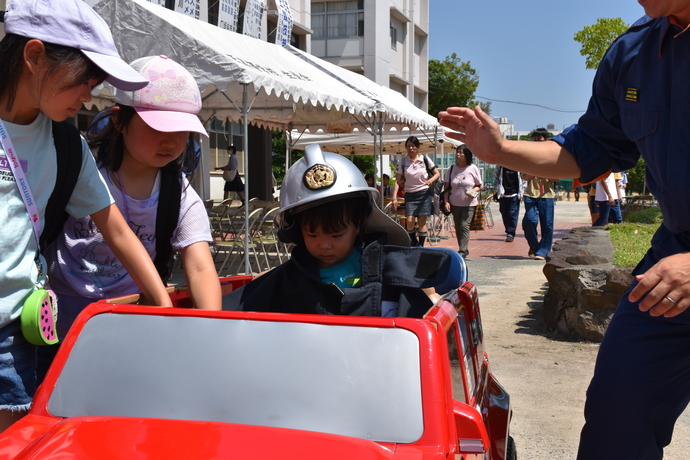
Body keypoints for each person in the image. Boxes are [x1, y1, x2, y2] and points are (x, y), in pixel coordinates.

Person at [438, 3, 690, 458]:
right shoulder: (634, 51)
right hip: (673, 261)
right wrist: (499, 150)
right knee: (618, 411)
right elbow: (588, 149)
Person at [0, 0, 173, 432]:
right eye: (84, 79)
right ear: (34, 56)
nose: (88, 95)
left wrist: (165, 306)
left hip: (12, 332)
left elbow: (115, 227)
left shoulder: (66, 146)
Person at [40, 55, 222, 378]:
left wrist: (210, 333)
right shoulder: (82, 172)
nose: (171, 141)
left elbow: (200, 266)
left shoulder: (178, 195)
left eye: (182, 130)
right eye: (158, 127)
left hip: (131, 330)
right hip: (57, 330)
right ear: (119, 120)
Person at [224, 144, 452, 317]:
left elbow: (423, 300)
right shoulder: (291, 277)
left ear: (359, 224)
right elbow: (236, 310)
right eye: (312, 235)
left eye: (336, 234)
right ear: (295, 230)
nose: (324, 244)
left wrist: (430, 296)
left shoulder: (386, 268)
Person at [392, 136, 440, 247]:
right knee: (409, 221)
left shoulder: (425, 159)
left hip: (424, 194)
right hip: (410, 195)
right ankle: (414, 241)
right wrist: (394, 196)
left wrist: (430, 180)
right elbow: (397, 181)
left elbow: (437, 173)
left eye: (413, 146)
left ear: (418, 147)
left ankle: (421, 246)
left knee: (422, 222)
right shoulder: (403, 161)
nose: (411, 148)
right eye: (408, 146)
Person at [522, 128, 557, 260]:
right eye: (534, 139)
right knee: (529, 220)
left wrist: (544, 174)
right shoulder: (527, 156)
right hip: (530, 195)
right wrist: (532, 174)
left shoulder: (552, 156)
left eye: (540, 139)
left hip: (547, 195)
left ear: (546, 140)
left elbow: (557, 177)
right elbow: (524, 176)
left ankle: (543, 251)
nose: (537, 142)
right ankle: (535, 246)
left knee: (547, 224)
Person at [442, 145, 482, 257]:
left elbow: (479, 185)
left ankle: (463, 251)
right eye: (457, 152)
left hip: (469, 204)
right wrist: (446, 202)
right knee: (458, 227)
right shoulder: (451, 169)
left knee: (464, 225)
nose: (457, 154)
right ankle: (462, 248)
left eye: (460, 152)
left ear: (466, 155)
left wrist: (473, 190)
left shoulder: (473, 168)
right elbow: (446, 189)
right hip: (455, 203)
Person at [493, 165, 526, 243]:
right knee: (504, 212)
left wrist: (523, 191)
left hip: (514, 193)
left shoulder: (518, 164)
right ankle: (508, 230)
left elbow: (524, 178)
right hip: (503, 193)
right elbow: (495, 175)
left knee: (512, 213)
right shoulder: (500, 165)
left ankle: (510, 233)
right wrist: (497, 187)